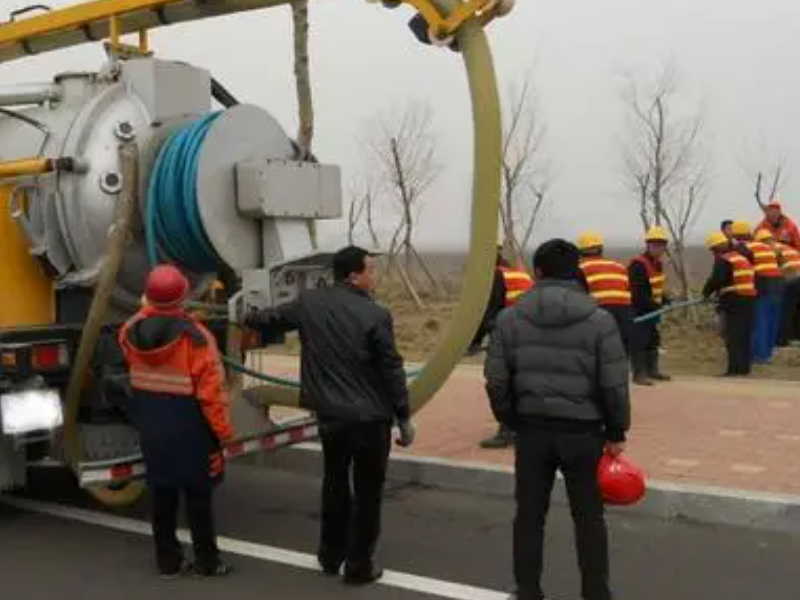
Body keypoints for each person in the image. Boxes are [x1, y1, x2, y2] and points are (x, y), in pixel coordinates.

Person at [244, 246, 415, 585]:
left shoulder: (310, 303)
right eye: (371, 270)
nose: (374, 277)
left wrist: (245, 313)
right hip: (370, 420)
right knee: (368, 492)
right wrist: (404, 416)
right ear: (354, 274)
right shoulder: (376, 315)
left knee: (335, 483)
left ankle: (329, 554)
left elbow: (268, 319)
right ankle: (358, 565)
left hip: (330, 416)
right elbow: (391, 369)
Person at [485, 239, 630, 600]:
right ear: (577, 272)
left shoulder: (509, 318)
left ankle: (528, 590)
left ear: (538, 272)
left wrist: (511, 420)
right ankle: (596, 592)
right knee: (589, 518)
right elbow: (614, 383)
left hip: (532, 431)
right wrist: (616, 430)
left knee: (530, 516)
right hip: (584, 433)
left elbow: (496, 379)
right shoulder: (600, 321)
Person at [118, 264, 234, 578]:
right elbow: (212, 394)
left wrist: (148, 309)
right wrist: (223, 434)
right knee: (199, 497)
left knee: (162, 495)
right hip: (192, 427)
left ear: (147, 297)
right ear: (183, 295)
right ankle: (207, 562)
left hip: (152, 425)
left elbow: (134, 348)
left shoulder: (129, 331)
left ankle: (167, 561)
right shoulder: (196, 338)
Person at [477, 249, 535, 449]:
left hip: (507, 336)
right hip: (530, 334)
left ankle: (508, 430)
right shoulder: (517, 272)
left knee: (499, 382)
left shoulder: (494, 275)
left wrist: (473, 342)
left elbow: (487, 311)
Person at [702, 232, 756, 376]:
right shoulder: (740, 257)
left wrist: (705, 293)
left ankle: (734, 370)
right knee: (744, 335)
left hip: (735, 300)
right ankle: (744, 369)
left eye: (712, 250)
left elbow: (716, 279)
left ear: (716, 248)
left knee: (733, 335)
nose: (713, 254)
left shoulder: (724, 259)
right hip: (749, 299)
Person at [731, 221, 784, 363]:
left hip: (762, 286)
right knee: (771, 321)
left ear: (735, 236)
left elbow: (742, 268)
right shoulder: (764, 247)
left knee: (759, 321)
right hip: (777, 285)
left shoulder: (743, 248)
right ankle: (767, 354)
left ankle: (758, 356)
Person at [577, 231, 633, 356]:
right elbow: (629, 291)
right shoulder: (619, 266)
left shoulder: (580, 268)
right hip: (625, 312)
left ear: (581, 251)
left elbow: (578, 297)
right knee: (621, 350)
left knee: (597, 350)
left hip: (598, 312)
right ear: (601, 249)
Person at [628, 226, 671, 386]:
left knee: (653, 340)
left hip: (652, 310)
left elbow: (655, 287)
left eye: (661, 245)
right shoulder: (637, 265)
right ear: (648, 245)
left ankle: (652, 370)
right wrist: (654, 306)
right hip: (638, 311)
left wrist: (665, 299)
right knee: (639, 341)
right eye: (655, 245)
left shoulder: (657, 264)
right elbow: (637, 293)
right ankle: (639, 374)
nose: (658, 248)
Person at [756, 228, 800, 347]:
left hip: (791, 280)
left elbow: (774, 269)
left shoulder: (769, 249)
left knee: (784, 310)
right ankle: (795, 336)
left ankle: (782, 339)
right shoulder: (786, 248)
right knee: (795, 310)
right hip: (797, 278)